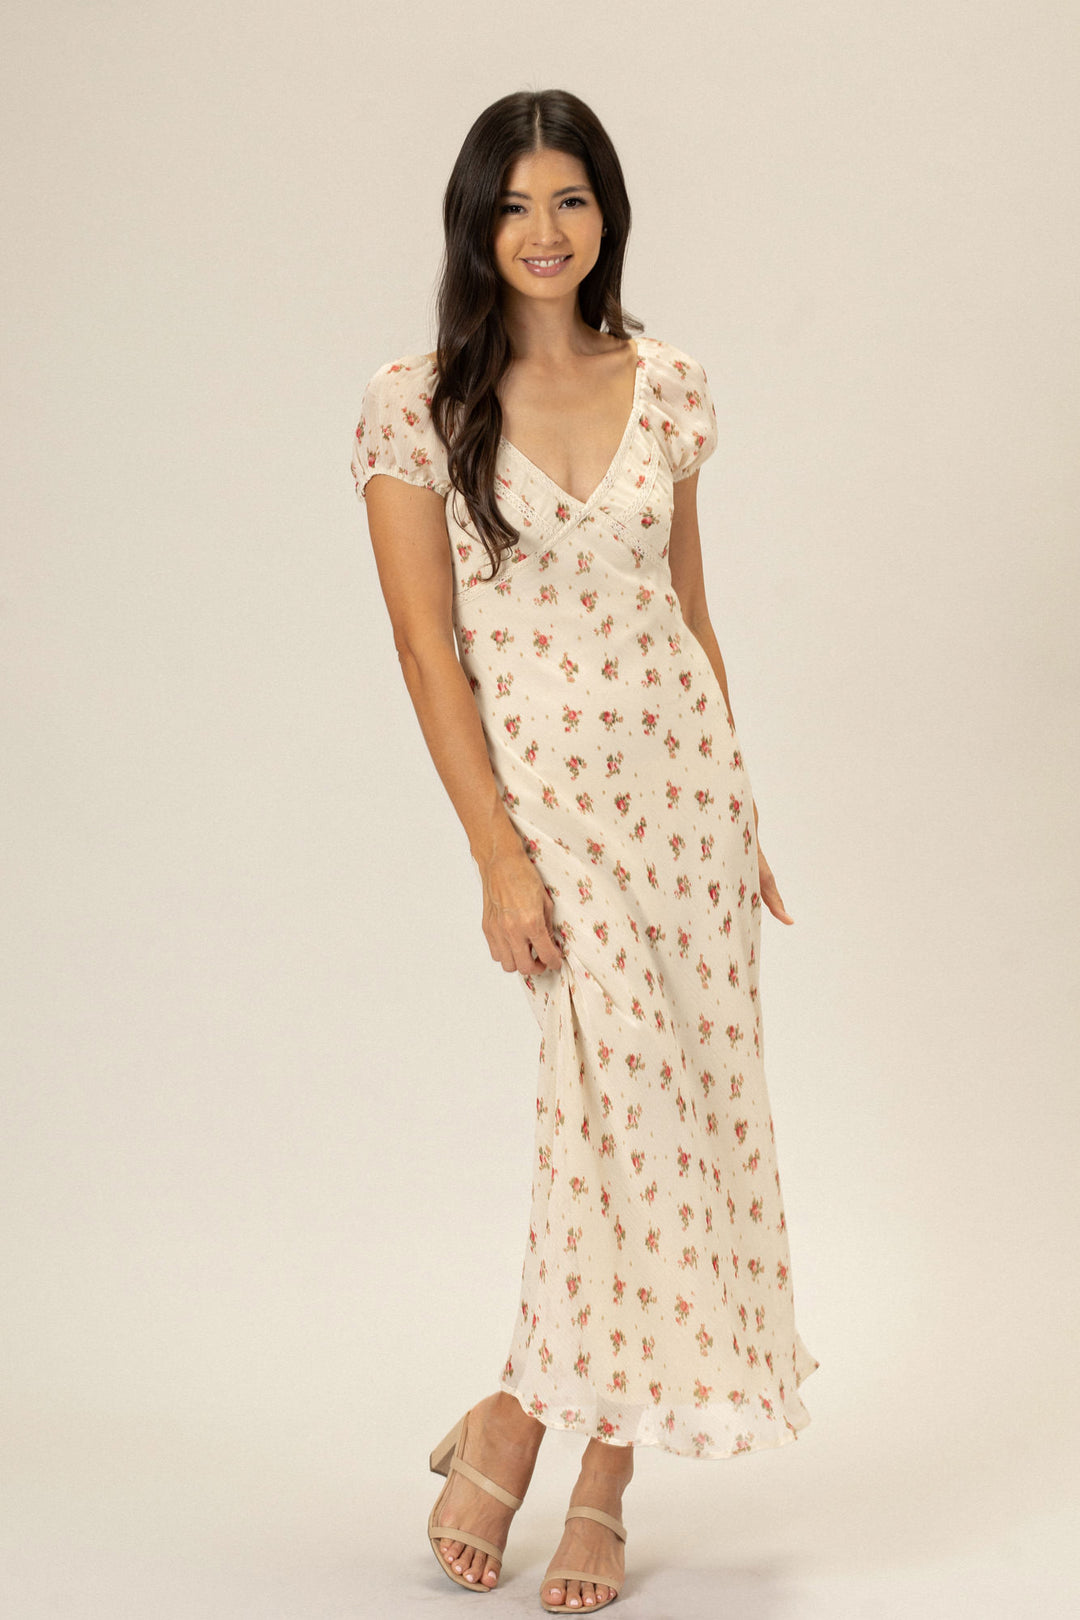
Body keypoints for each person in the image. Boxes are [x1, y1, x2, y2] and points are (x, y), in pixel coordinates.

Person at [350, 87, 819, 1613]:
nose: (544, 232)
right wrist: (497, 853)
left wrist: (742, 808)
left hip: (687, 803)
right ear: (474, 225)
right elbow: (429, 652)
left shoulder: (668, 382)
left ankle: (570, 1457)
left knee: (671, 1134)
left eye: (571, 201)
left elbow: (692, 613)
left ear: (606, 215)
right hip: (552, 810)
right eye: (514, 205)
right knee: (609, 1130)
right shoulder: (414, 404)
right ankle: (525, 1432)